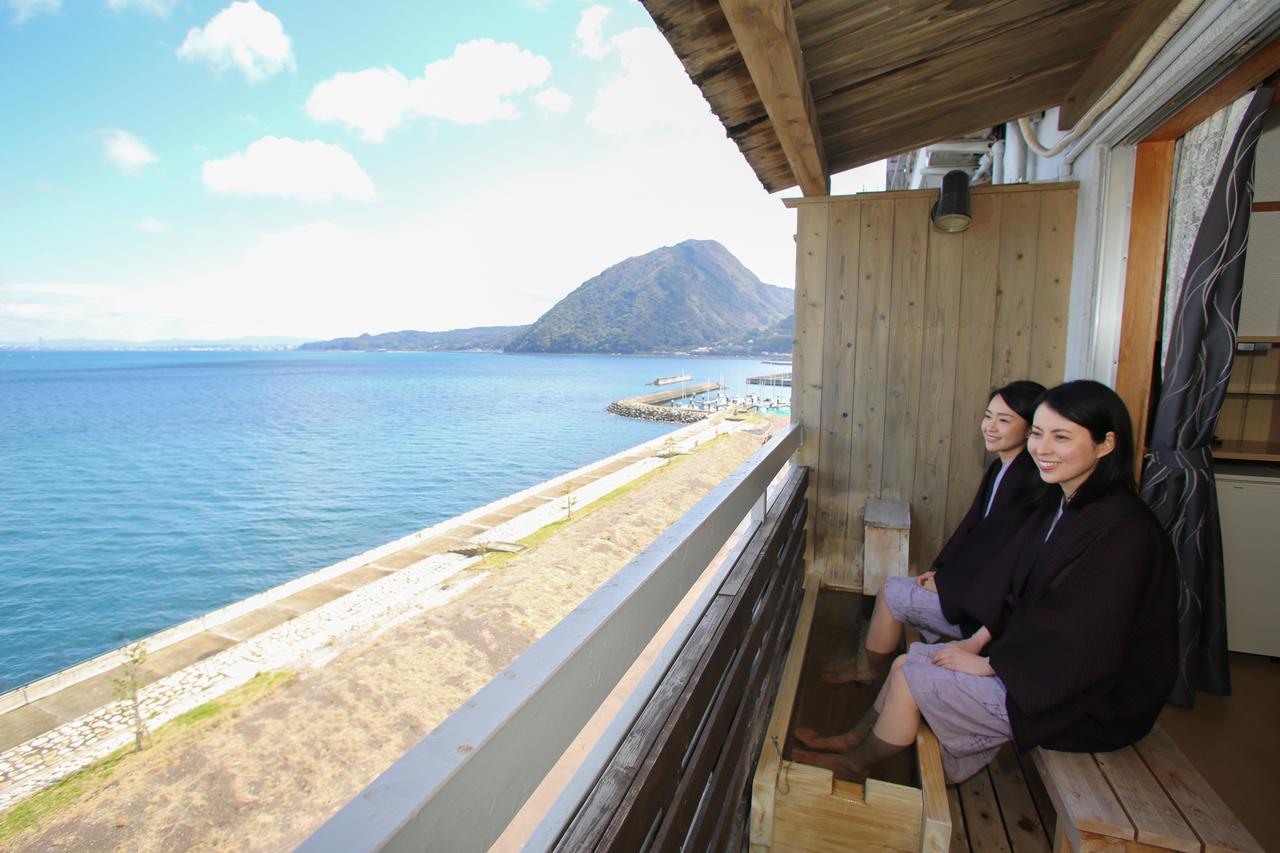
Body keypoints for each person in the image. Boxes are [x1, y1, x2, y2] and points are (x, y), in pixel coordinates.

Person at [794, 380, 1178, 784]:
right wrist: (976, 642)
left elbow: (1085, 640)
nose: (1042, 449)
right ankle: (853, 740)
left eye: (1061, 437)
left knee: (913, 676)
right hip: (1044, 668)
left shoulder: (1123, 533)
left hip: (1090, 700)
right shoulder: (1069, 506)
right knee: (911, 660)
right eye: (1037, 434)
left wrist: (993, 665)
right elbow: (1022, 593)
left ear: (1106, 444)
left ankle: (857, 764)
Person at [817, 380, 1045, 687]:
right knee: (893, 588)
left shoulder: (1026, 485)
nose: (990, 427)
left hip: (986, 611)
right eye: (988, 416)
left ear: (1031, 429)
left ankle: (867, 669)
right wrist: (940, 572)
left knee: (891, 592)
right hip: (972, 589)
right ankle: (866, 663)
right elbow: (971, 533)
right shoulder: (1002, 470)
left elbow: (999, 557)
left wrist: (948, 582)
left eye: (1004, 420)